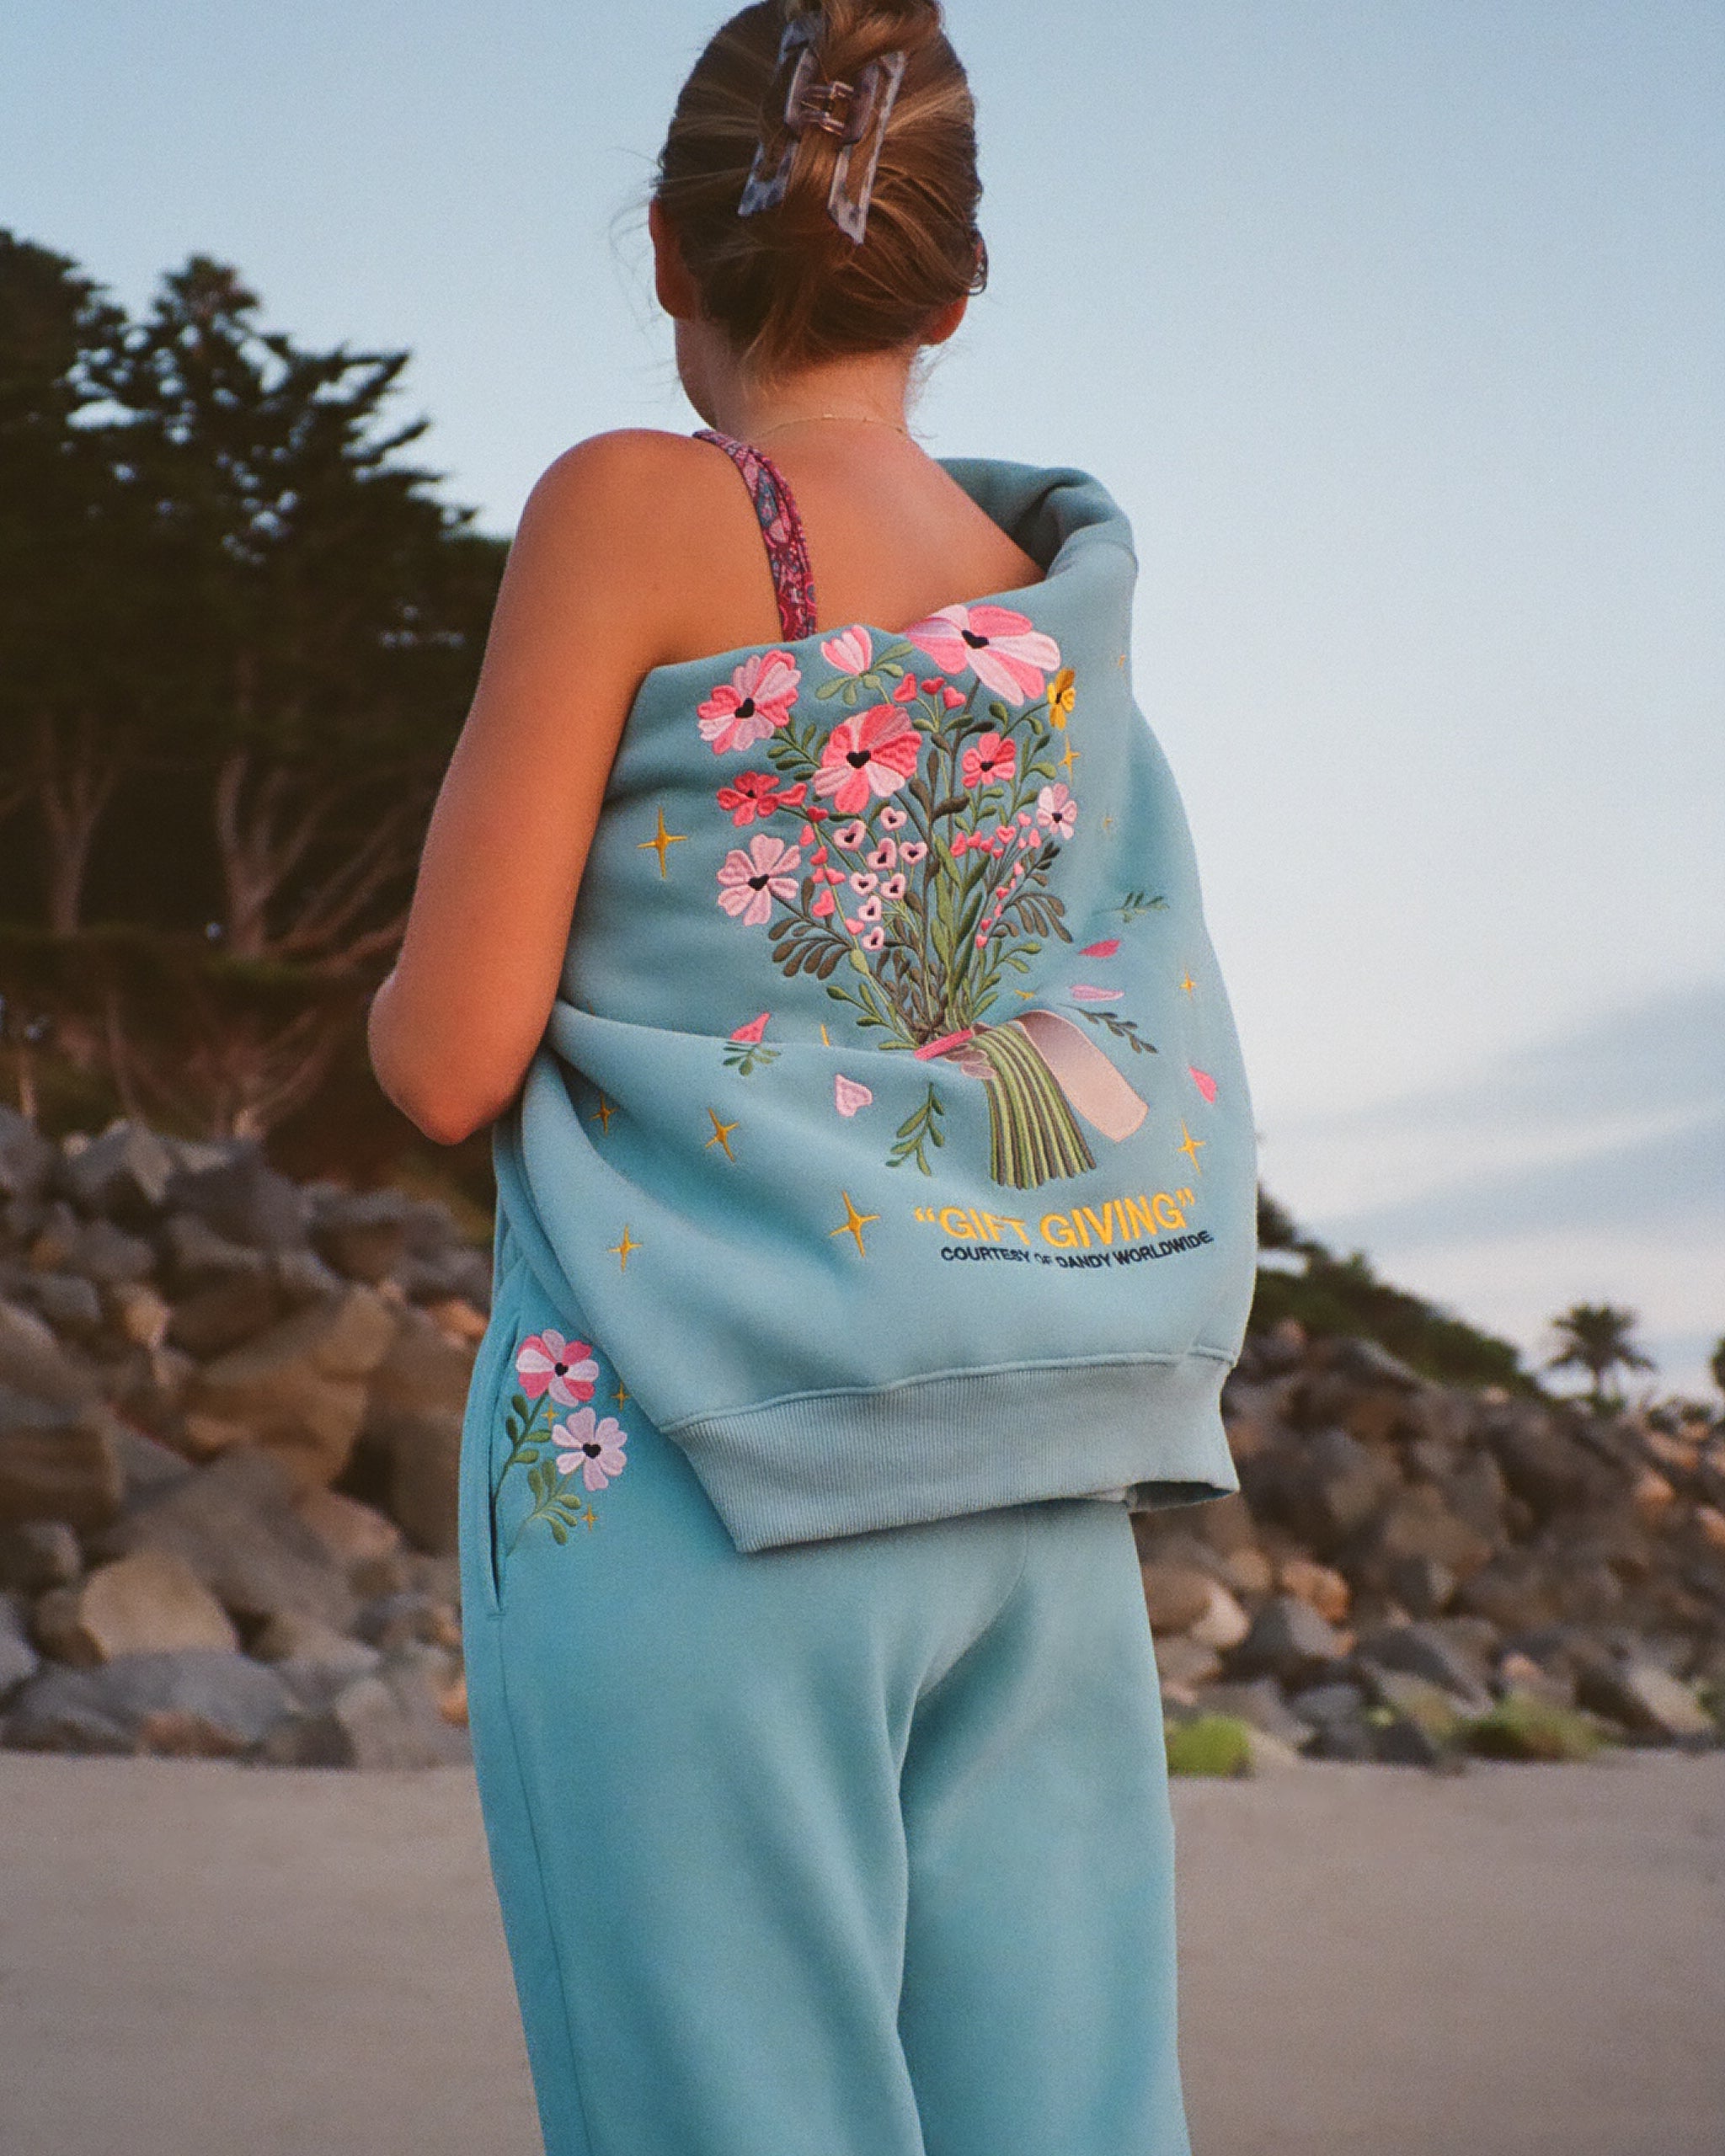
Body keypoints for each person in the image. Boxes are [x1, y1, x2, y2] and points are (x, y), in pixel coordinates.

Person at [367, 3, 1258, 2150]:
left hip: (700, 1464)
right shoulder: (1054, 607)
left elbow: (447, 1056)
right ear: (954, 292)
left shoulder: (628, 509)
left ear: (670, 249)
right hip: (1037, 1469)